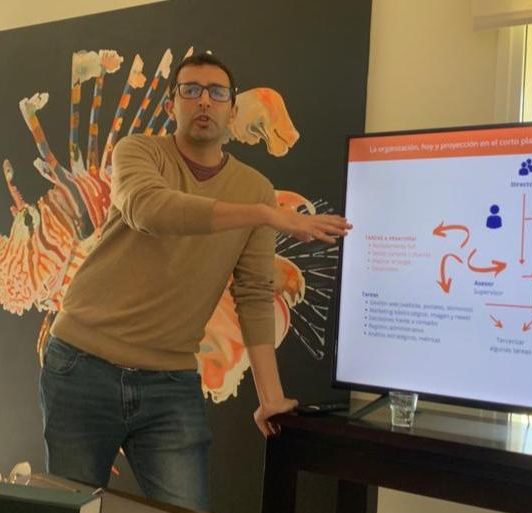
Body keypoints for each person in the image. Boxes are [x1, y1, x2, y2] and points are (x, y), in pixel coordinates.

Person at [38, 53, 351, 511]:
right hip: (81, 367)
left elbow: (253, 293)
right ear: (172, 106)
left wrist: (271, 398)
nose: (204, 101)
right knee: (73, 507)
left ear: (232, 110)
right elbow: (151, 210)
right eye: (191, 90)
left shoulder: (255, 188)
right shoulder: (138, 152)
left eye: (217, 92)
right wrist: (265, 215)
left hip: (170, 383)